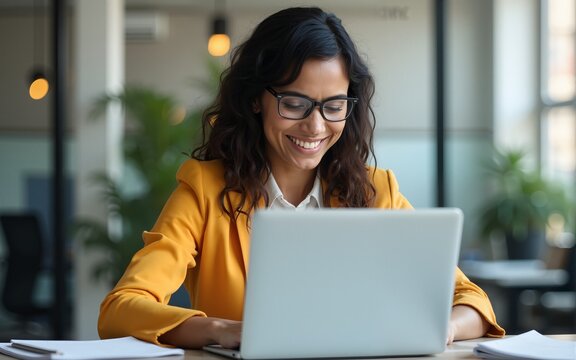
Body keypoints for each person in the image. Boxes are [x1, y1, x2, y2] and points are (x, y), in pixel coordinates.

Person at [98, 6, 505, 349]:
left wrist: (440, 329)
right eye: (295, 103)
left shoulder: (376, 191)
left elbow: (470, 299)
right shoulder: (205, 191)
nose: (315, 126)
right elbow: (122, 308)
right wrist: (224, 331)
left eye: (333, 106)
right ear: (257, 98)